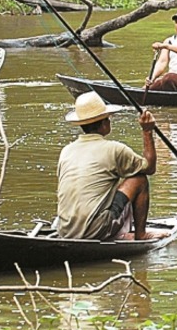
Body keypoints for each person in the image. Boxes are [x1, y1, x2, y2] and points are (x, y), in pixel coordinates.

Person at [57, 91, 165, 240]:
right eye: (107, 119)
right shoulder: (114, 149)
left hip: (65, 230)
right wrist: (147, 131)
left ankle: (118, 230)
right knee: (139, 178)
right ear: (103, 124)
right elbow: (150, 167)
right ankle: (141, 234)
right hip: (94, 230)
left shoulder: (66, 151)